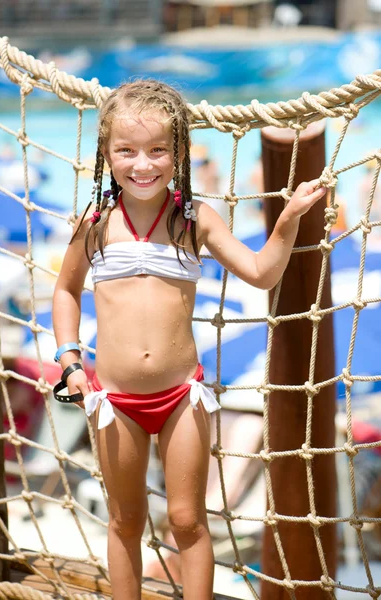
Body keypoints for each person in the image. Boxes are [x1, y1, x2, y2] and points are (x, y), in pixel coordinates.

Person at [52, 79, 327, 600]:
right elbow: (65, 291)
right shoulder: (95, 225)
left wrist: (288, 219)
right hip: (114, 401)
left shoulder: (193, 219)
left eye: (159, 150)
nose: (143, 164)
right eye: (126, 151)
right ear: (106, 155)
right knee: (125, 521)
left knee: (188, 520)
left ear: (180, 152)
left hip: (182, 396)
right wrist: (70, 361)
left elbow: (262, 273)